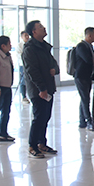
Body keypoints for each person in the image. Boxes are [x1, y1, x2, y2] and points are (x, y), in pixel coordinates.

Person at [22, 20, 59, 159]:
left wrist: (54, 69)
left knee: (46, 117)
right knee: (39, 118)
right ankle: (32, 145)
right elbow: (32, 71)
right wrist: (41, 88)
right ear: (34, 32)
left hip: (48, 87)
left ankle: (42, 143)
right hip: (38, 90)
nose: (44, 28)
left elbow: (54, 63)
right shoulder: (29, 49)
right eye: (40, 27)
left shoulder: (44, 47)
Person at [74, 27, 94, 129]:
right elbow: (88, 60)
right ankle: (89, 120)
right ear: (89, 35)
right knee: (85, 98)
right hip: (81, 76)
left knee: (84, 98)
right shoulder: (81, 46)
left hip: (87, 76)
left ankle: (82, 121)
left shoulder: (89, 46)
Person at [17, 30, 30, 103]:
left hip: (31, 65)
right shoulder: (20, 45)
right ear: (22, 37)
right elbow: (19, 55)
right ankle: (24, 96)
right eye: (25, 35)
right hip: (23, 65)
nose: (27, 37)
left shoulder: (31, 44)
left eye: (28, 35)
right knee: (23, 80)